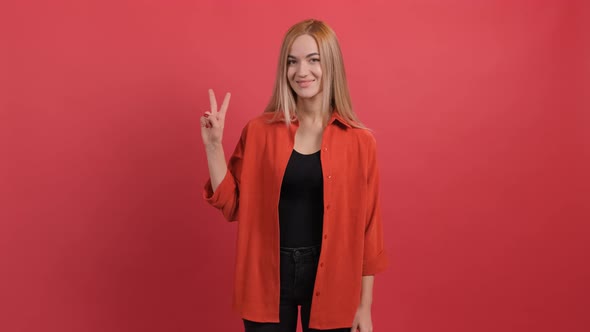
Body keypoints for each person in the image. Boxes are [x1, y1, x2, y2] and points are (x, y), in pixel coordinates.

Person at [200, 19, 387, 332]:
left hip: (333, 277)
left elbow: (369, 231)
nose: (302, 72)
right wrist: (213, 146)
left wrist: (364, 308)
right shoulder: (259, 131)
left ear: (331, 65)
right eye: (292, 61)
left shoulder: (360, 142)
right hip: (267, 275)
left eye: (313, 60)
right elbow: (232, 206)